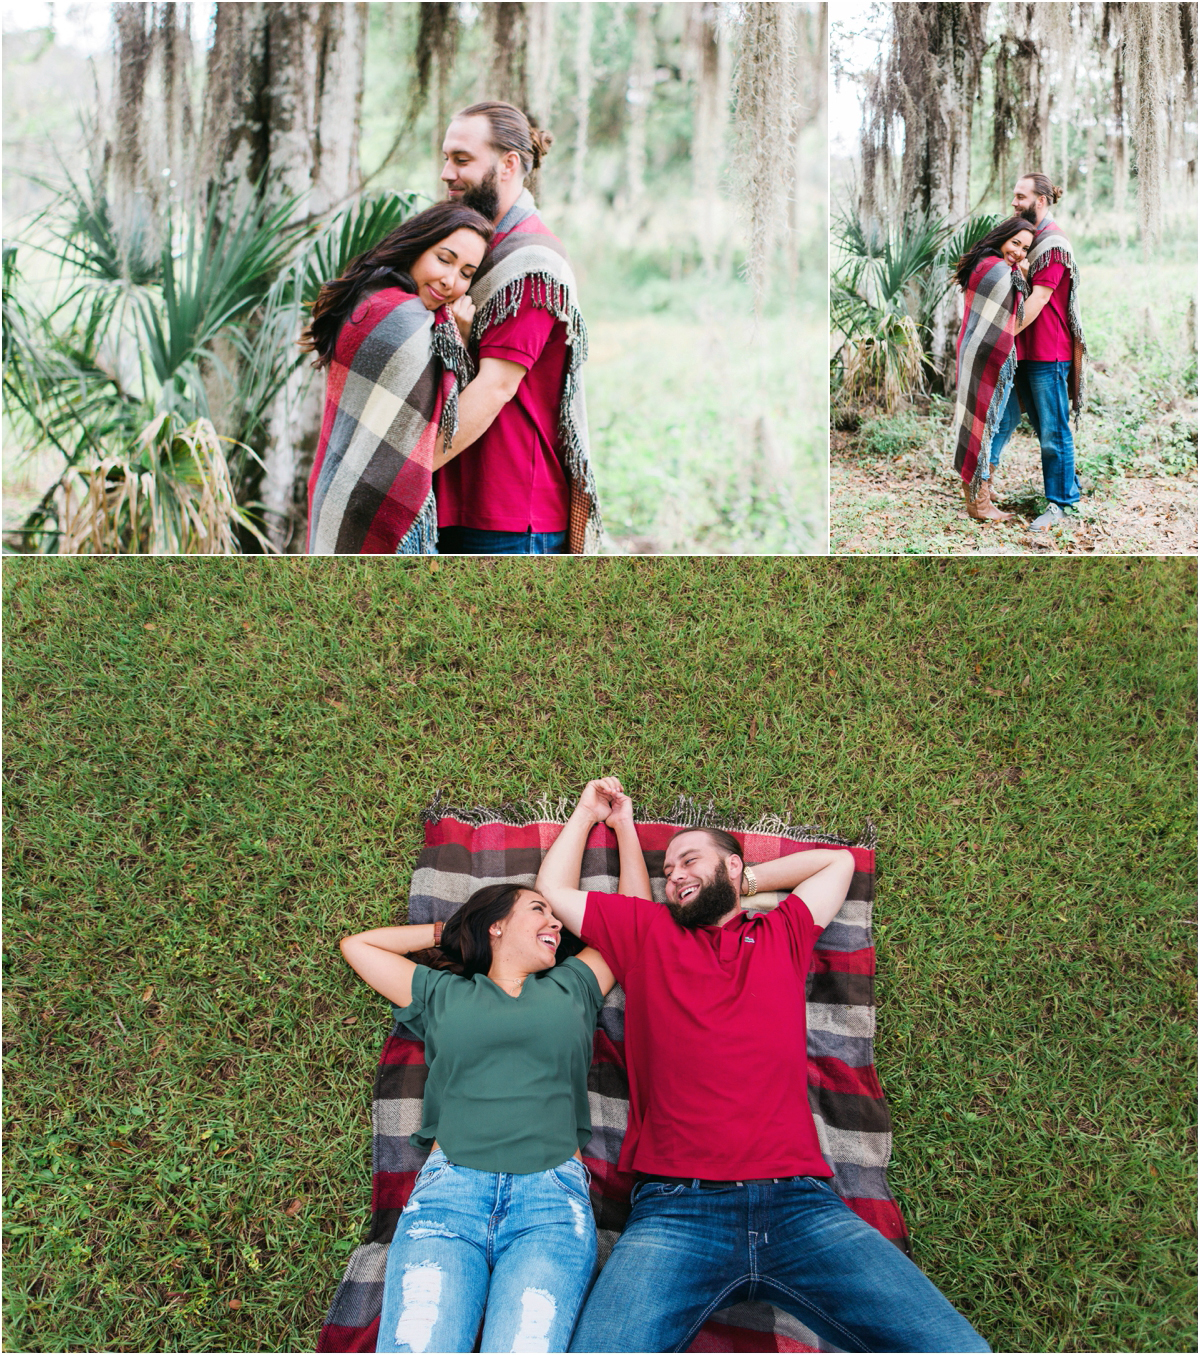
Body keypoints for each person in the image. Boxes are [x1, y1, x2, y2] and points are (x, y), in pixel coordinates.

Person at [536, 779, 991, 1355]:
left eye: (688, 861)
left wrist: (746, 881)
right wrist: (586, 813)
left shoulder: (782, 933)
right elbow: (551, 888)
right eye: (668, 870)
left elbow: (837, 864)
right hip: (679, 1210)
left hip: (800, 1205)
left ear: (731, 866)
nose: (673, 875)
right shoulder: (645, 932)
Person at [338, 817, 644, 1352]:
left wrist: (618, 823)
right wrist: (449, 931)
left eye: (554, 916)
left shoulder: (573, 986)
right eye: (538, 911)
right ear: (495, 926)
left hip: (550, 1204)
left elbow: (634, 923)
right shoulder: (441, 993)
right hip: (450, 1196)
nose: (555, 923)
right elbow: (359, 946)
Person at [431, 101, 602, 555]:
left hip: (506, 517)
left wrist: (404, 472)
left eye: (462, 160)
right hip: (461, 502)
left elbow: (495, 388)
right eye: (445, 158)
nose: (447, 173)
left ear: (508, 165)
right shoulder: (474, 247)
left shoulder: (530, 264)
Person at [302, 200, 493, 554]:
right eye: (444, 259)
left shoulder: (369, 294)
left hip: (336, 487)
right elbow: (447, 413)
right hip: (373, 505)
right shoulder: (404, 320)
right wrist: (459, 338)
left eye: (467, 273)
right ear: (419, 246)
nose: (451, 281)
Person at [1002, 172, 1087, 531]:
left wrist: (1004, 335)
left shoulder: (1052, 242)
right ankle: (1067, 489)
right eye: (1015, 195)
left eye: (1021, 196)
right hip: (1029, 350)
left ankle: (1062, 506)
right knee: (1043, 427)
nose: (1014, 202)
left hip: (1049, 352)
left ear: (1041, 201)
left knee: (1054, 431)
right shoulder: (1030, 240)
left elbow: (1039, 298)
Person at [950, 215, 1036, 523]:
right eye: (1015, 243)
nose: (1019, 253)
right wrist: (1023, 278)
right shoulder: (998, 270)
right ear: (1002, 236)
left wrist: (1019, 271)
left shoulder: (986, 262)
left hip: (978, 350)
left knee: (1002, 418)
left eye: (1025, 248)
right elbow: (1016, 315)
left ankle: (983, 481)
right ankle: (978, 500)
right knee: (984, 425)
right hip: (990, 356)